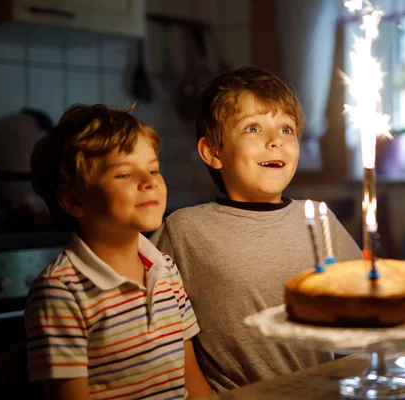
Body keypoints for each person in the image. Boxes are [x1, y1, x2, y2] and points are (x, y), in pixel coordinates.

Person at [151, 67, 363, 392]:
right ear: (212, 152)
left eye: (287, 129)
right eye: (253, 128)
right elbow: (161, 326)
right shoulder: (184, 230)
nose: (275, 141)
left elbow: (366, 306)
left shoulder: (320, 219)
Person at [25, 104, 213, 400]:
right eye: (125, 174)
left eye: (153, 169)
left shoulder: (165, 271)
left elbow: (194, 386)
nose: (149, 181)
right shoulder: (60, 291)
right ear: (74, 200)